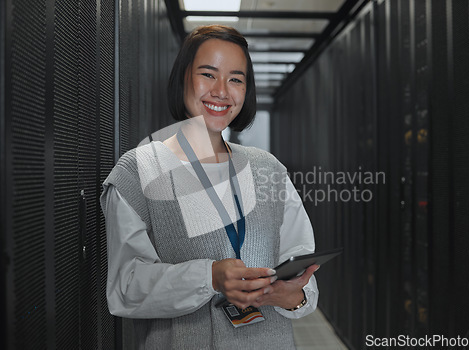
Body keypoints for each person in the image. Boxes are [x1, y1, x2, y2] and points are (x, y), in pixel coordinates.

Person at [100, 25, 319, 349]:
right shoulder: (138, 172)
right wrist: (210, 278)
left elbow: (300, 263)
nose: (221, 91)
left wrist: (295, 296)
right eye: (208, 74)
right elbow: (125, 288)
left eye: (236, 79)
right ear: (183, 78)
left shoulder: (268, 168)